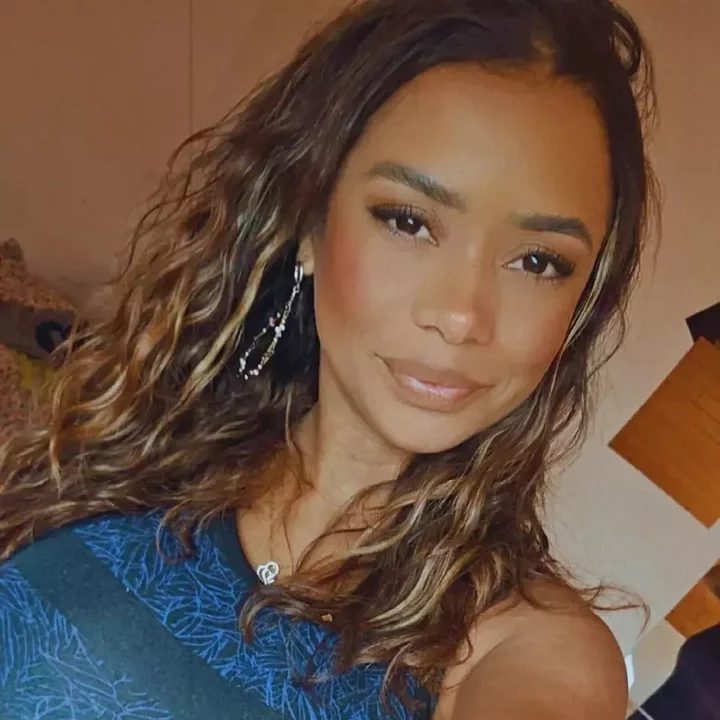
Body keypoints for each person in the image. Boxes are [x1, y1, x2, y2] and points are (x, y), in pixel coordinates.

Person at [0, 0, 657, 718]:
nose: (462, 315)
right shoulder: (137, 434)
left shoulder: (521, 647)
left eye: (537, 262)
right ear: (310, 220)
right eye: (409, 221)